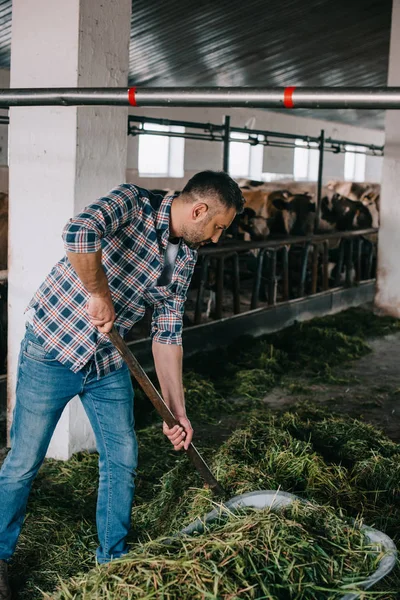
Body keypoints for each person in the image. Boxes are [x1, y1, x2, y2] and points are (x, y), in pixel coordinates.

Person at [0, 170, 244, 599]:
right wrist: (98, 292)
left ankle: (113, 558)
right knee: (23, 461)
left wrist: (177, 411)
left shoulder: (185, 258)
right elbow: (78, 231)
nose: (217, 237)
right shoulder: (133, 203)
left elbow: (167, 334)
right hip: (53, 347)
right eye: (218, 227)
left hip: (108, 360)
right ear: (199, 209)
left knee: (123, 456)